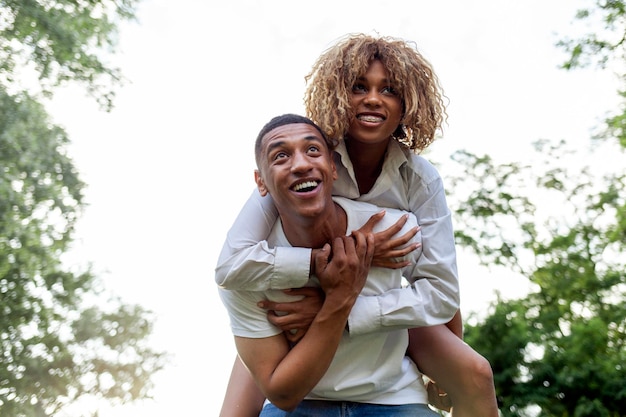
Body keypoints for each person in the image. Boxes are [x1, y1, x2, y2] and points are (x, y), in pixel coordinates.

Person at [217, 33, 498, 417]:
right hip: (299, 294)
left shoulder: (420, 179)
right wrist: (330, 261)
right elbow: (233, 263)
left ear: (408, 103)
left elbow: (440, 286)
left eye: (389, 89)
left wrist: (340, 310)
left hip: (378, 303)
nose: (372, 98)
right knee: (240, 406)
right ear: (336, 96)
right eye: (358, 87)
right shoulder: (308, 162)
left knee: (475, 372)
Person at [219, 113, 441, 416]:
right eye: (281, 156)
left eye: (312, 150)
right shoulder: (246, 269)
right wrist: (336, 291)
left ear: (333, 167)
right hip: (302, 403)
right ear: (261, 182)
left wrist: (445, 372)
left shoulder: (394, 229)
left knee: (478, 373)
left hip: (394, 398)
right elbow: (283, 394)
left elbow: (442, 293)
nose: (300, 164)